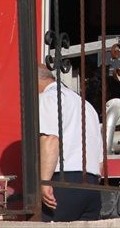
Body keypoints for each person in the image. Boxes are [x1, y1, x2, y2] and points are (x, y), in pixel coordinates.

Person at [38, 64, 103, 221]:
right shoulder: (86, 105)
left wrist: (44, 181)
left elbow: (50, 139)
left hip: (64, 180)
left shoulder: (48, 98)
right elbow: (100, 158)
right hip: (91, 183)